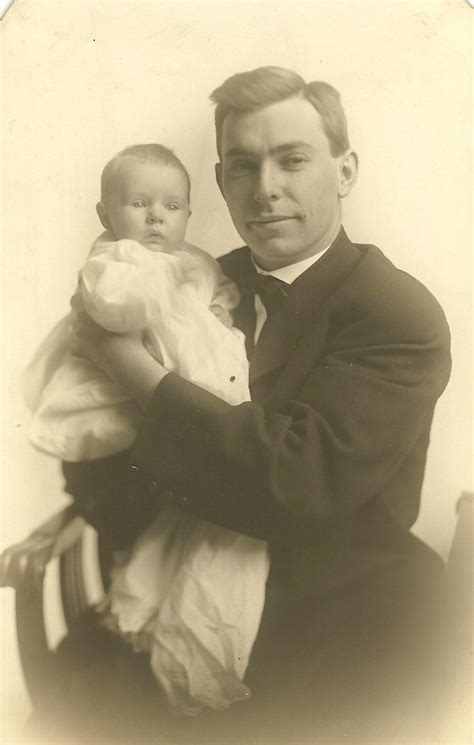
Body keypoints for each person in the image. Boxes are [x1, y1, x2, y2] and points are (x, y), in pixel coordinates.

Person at [30, 67, 451, 744]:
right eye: (243, 167)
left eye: (292, 160)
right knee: (67, 703)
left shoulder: (396, 313)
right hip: (173, 582)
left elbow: (295, 481)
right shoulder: (190, 283)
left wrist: (131, 366)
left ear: (345, 172)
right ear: (221, 181)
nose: (266, 189)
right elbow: (98, 462)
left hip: (334, 615)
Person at [23, 143, 269, 717]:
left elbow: (218, 293)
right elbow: (114, 308)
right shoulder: (116, 261)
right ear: (107, 215)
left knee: (197, 552)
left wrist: (214, 305)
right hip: (132, 408)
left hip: (200, 423)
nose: (157, 217)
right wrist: (163, 292)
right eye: (139, 203)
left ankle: (179, 638)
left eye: (172, 206)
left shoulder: (199, 261)